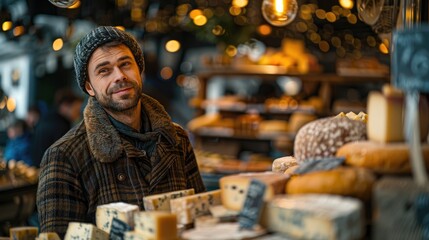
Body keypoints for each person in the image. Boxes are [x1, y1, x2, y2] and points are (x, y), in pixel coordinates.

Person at [36, 26, 206, 236]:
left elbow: (202, 222)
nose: (119, 76)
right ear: (89, 87)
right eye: (104, 70)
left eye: (125, 64)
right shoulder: (64, 156)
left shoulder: (177, 139)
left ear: (139, 70)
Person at [30, 88, 84, 167]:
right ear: (65, 105)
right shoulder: (61, 126)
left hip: (36, 169)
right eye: (77, 109)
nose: (78, 113)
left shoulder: (45, 119)